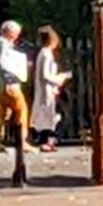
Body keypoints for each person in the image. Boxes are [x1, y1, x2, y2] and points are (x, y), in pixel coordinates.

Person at [29, 26, 72, 155]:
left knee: (49, 117)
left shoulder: (43, 53)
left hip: (49, 90)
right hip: (48, 91)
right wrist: (62, 77)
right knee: (58, 117)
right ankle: (49, 141)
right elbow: (46, 75)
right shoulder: (46, 54)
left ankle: (45, 141)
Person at [0, 21, 31, 158]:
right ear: (9, 32)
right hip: (9, 84)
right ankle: (22, 140)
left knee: (1, 112)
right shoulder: (2, 43)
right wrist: (14, 73)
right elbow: (1, 62)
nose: (17, 36)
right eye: (16, 33)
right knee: (22, 110)